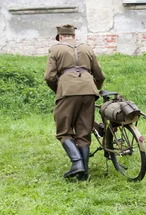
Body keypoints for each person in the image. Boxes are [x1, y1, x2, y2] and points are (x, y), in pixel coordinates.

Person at [44, 24, 106, 181]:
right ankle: (84, 174)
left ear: (60, 37)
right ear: (73, 36)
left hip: (68, 90)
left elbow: (49, 77)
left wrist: (59, 89)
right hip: (89, 90)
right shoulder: (87, 48)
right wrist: (94, 88)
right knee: (84, 131)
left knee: (63, 130)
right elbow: (99, 75)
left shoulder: (56, 49)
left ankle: (77, 163)